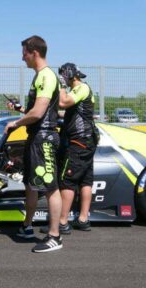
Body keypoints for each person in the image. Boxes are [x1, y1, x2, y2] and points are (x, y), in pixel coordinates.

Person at [4, 35, 63, 253]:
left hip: (44, 138)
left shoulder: (46, 76)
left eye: (24, 53)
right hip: (35, 137)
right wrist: (19, 110)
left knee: (50, 188)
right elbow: (36, 110)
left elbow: (38, 113)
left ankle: (55, 236)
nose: (22, 58)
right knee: (30, 185)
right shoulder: (39, 77)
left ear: (34, 53)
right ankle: (27, 226)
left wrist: (16, 123)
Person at [56, 63, 98, 233]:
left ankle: (62, 222)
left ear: (69, 75)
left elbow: (63, 102)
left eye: (63, 75)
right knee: (85, 181)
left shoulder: (81, 88)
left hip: (79, 142)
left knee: (68, 181)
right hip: (87, 141)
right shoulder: (81, 91)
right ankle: (83, 219)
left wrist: (61, 86)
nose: (62, 78)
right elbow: (67, 113)